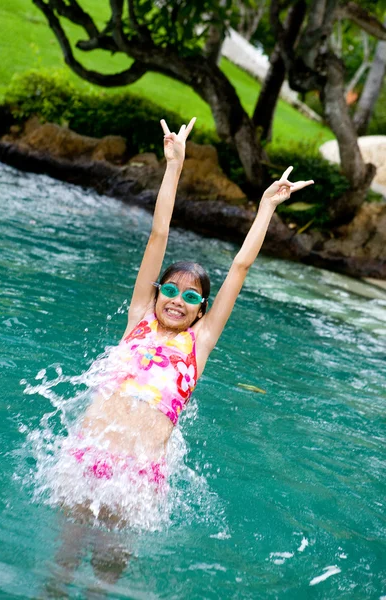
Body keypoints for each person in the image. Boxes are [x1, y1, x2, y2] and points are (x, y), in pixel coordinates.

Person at [69, 117, 314, 494]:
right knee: (65, 551)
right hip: (90, 449)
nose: (177, 301)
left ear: (201, 310)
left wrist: (266, 207)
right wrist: (174, 166)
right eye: (170, 290)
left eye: (191, 297)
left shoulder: (199, 342)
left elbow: (240, 267)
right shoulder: (139, 318)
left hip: (139, 473)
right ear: (157, 292)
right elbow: (158, 235)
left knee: (114, 556)